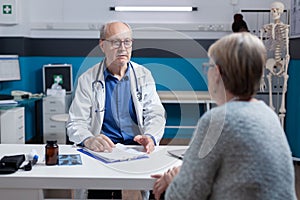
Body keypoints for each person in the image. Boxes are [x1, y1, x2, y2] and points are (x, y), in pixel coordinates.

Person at [151, 32, 296, 200]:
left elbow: (182, 196)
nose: (207, 73)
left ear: (217, 73)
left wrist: (175, 180)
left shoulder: (219, 120)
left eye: (208, 66)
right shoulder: (268, 115)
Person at [66, 21, 166, 199]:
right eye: (115, 42)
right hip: (103, 151)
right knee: (99, 192)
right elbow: (76, 122)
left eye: (127, 42)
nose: (122, 48)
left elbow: (155, 113)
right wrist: (88, 139)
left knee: (154, 187)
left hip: (135, 149)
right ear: (102, 45)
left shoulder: (144, 75)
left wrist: (150, 136)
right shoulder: (87, 79)